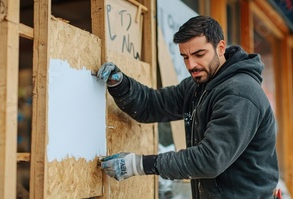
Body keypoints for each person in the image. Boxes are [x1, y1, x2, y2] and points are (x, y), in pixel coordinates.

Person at [96, 15, 279, 198]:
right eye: (185, 57)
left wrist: (138, 165)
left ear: (221, 47)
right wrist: (119, 84)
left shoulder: (240, 93)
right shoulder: (196, 87)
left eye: (199, 55)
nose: (191, 65)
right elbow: (151, 105)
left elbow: (210, 159)